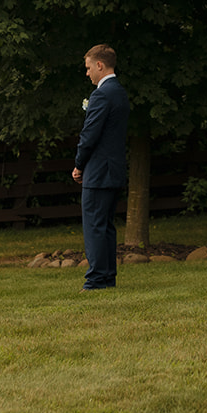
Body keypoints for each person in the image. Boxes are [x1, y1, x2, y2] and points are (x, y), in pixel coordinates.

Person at [73, 43, 129, 291]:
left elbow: (89, 135)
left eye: (88, 68)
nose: (87, 73)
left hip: (98, 171)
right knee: (105, 226)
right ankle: (107, 277)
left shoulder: (102, 94)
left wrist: (79, 164)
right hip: (114, 169)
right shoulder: (120, 92)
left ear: (99, 65)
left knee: (95, 226)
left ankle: (96, 279)